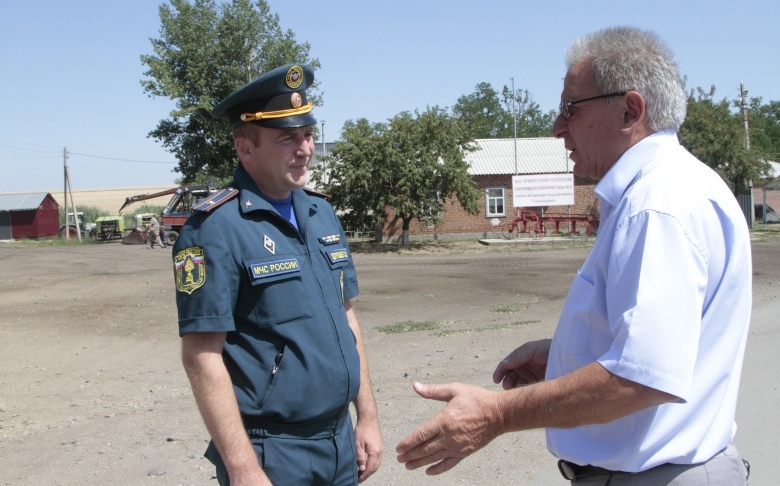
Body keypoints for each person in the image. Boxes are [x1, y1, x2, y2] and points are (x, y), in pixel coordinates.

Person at [396, 26, 752, 484]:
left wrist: (495, 414)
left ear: (630, 110)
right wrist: (568, 355)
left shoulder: (655, 206)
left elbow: (642, 377)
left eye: (570, 109)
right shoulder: (676, 187)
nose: (557, 126)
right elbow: (661, 344)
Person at [174, 63, 382, 485]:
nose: (305, 149)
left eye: (307, 134)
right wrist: (244, 467)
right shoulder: (213, 229)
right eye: (287, 138)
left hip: (339, 441)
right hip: (274, 451)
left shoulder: (320, 212)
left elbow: (347, 320)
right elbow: (201, 355)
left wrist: (368, 418)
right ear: (245, 148)